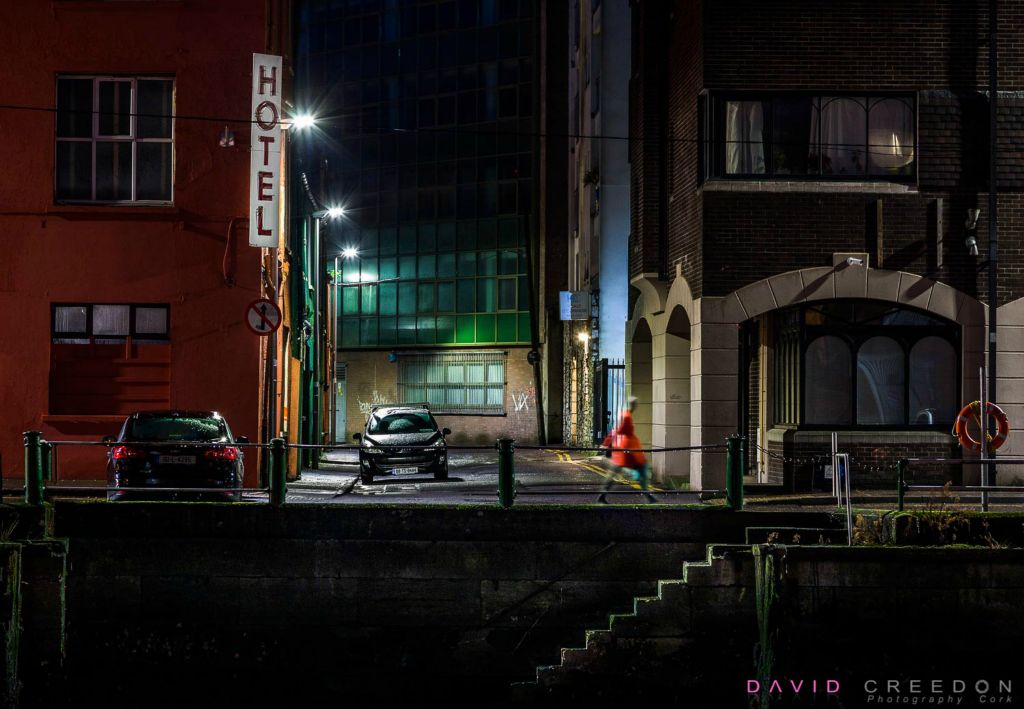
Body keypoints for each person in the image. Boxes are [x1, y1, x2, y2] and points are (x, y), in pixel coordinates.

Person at [598, 396, 657, 503]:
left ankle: (603, 494)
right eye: (634, 404)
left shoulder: (626, 415)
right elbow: (615, 431)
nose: (635, 406)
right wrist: (606, 443)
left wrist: (607, 443)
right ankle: (648, 496)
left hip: (625, 448)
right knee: (641, 469)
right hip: (627, 449)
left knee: (615, 471)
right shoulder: (626, 416)